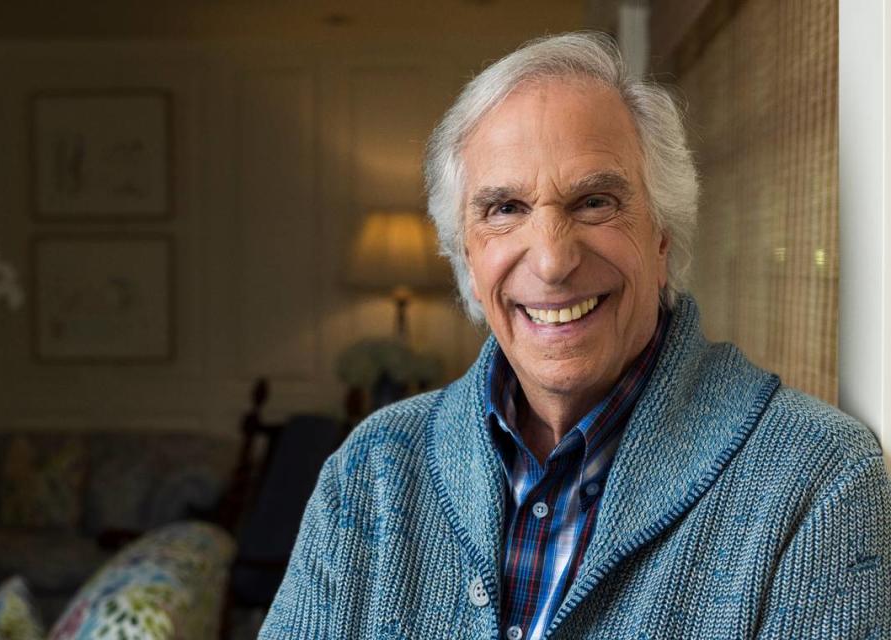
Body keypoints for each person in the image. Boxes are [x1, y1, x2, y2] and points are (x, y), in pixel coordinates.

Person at [260, 32, 891, 639]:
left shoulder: (819, 480)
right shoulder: (371, 469)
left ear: (663, 237)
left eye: (594, 201)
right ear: (468, 262)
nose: (553, 261)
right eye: (505, 209)